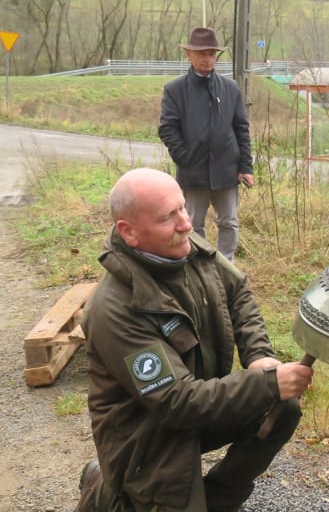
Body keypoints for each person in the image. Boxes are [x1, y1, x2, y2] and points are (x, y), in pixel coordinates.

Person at [73, 167, 313, 512]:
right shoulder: (112, 309)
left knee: (280, 409)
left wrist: (258, 356)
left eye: (183, 208)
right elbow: (176, 401)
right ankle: (104, 490)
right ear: (130, 232)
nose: (185, 223)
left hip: (196, 408)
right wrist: (267, 383)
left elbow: (238, 290)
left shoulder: (183, 245)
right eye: (168, 217)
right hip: (146, 435)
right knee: (266, 392)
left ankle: (216, 501)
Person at [159, 27, 254, 263]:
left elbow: (241, 128)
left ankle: (226, 267)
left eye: (211, 53)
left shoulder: (230, 88)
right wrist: (184, 156)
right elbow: (167, 128)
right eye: (202, 53)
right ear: (189, 55)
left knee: (229, 222)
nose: (207, 58)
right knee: (192, 224)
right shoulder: (175, 90)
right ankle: (200, 266)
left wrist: (246, 167)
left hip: (227, 170)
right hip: (193, 171)